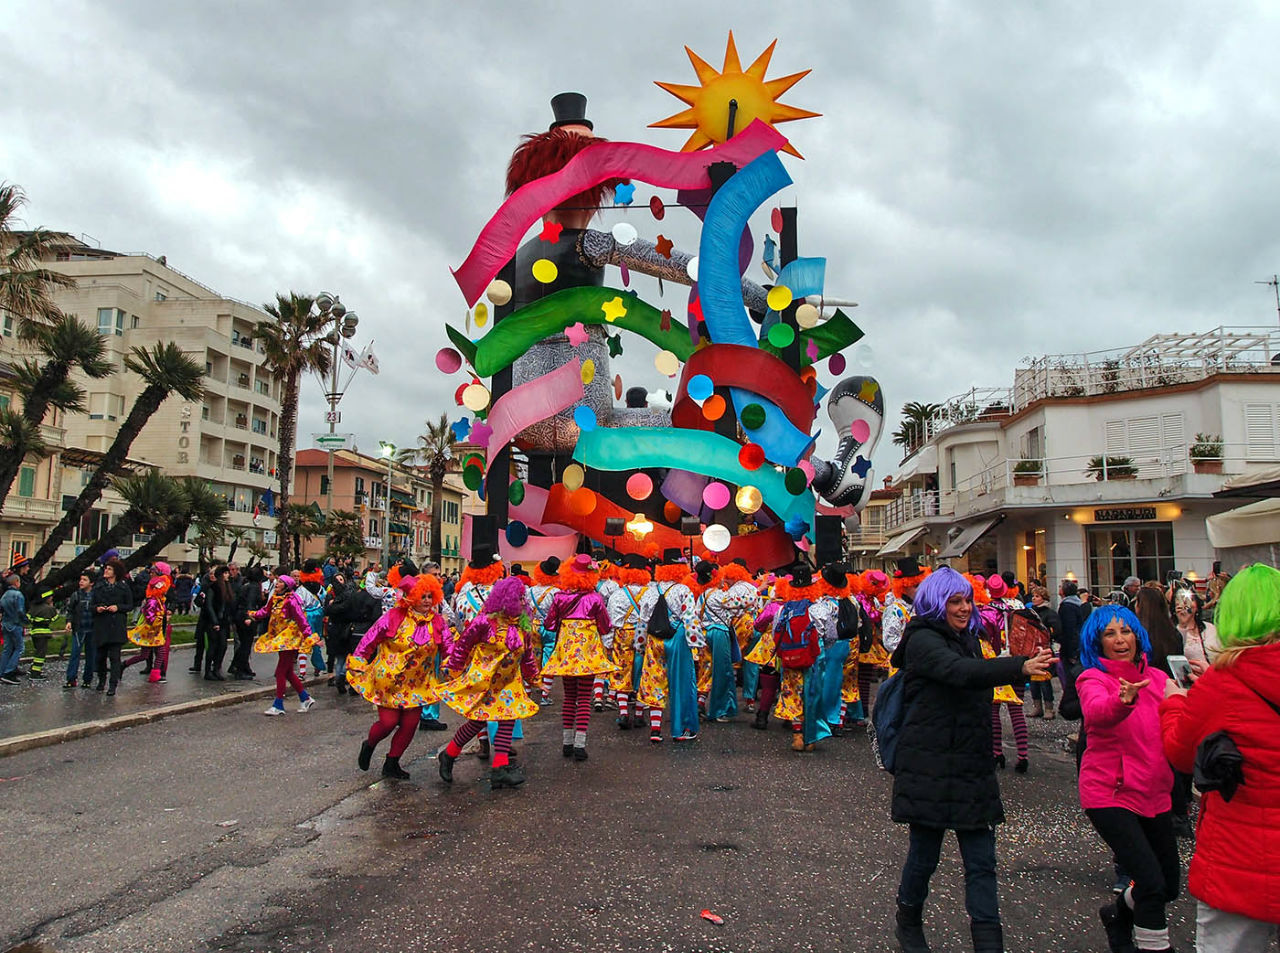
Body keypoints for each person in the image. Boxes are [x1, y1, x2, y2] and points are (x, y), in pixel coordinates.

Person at [890, 567, 1051, 953]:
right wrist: (1018, 666)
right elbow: (959, 673)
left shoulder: (971, 639)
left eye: (967, 600)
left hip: (970, 766)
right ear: (935, 604)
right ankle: (908, 921)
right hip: (929, 767)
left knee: (981, 863)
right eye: (955, 602)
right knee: (924, 857)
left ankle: (988, 942)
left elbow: (973, 675)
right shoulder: (922, 640)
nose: (964, 609)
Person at [1161, 564, 1280, 951]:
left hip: (1239, 854)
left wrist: (1176, 704)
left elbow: (1180, 754)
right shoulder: (1223, 679)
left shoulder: (1224, 682)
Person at [1077, 605, 1179, 953]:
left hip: (1154, 790)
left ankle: (1117, 912)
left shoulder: (1161, 679)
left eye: (1126, 631)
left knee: (1169, 886)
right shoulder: (1092, 679)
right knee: (1150, 884)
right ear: (1097, 642)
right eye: (1110, 633)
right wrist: (1123, 701)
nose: (1120, 640)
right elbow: (1097, 713)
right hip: (1110, 793)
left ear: (1138, 635)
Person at [437, 575, 540, 789]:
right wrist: (454, 668)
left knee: (508, 719)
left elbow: (527, 654)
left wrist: (533, 676)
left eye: (523, 598)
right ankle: (448, 754)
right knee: (477, 721)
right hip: (485, 682)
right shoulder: (485, 622)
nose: (523, 602)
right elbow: (464, 645)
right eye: (519, 598)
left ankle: (499, 769)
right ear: (507, 599)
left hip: (509, 684)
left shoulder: (523, 625)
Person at [348, 569, 449, 780]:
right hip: (389, 681)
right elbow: (370, 639)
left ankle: (392, 762)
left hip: (417, 683)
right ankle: (370, 744)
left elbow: (449, 647)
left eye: (430, 596)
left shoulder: (438, 622)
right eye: (423, 596)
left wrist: (453, 664)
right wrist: (359, 659)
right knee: (388, 723)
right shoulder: (394, 616)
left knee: (410, 725)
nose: (427, 601)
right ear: (412, 597)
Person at [543, 554, 614, 760]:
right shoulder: (595, 598)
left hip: (566, 653)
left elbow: (549, 625)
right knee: (584, 697)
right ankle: (579, 745)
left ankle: (566, 742)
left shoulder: (559, 598)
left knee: (569, 696)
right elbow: (605, 626)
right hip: (587, 654)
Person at [638, 554, 704, 744]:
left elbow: (643, 621)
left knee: (654, 681)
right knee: (681, 683)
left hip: (654, 639)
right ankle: (680, 729)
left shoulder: (650, 590)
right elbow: (691, 619)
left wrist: (640, 645)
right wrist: (696, 645)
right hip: (677, 638)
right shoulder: (683, 590)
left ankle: (656, 729)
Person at [248, 574, 318, 715]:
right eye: (277, 581)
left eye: (280, 582)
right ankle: (305, 698)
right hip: (280, 639)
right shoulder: (274, 598)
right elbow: (265, 611)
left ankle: (278, 705)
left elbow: (301, 619)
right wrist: (253, 614)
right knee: (288, 672)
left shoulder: (291, 601)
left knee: (280, 672)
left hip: (290, 640)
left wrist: (309, 636)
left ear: (287, 586)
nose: (277, 583)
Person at [91, 557, 135, 696]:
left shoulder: (123, 587)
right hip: (101, 625)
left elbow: (129, 605)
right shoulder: (99, 586)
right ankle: (101, 680)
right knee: (100, 657)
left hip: (116, 626)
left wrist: (118, 607)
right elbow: (92, 604)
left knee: (115, 658)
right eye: (106, 568)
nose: (106, 571)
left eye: (109, 569)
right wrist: (97, 608)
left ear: (115, 572)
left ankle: (113, 685)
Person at [124, 562, 173, 682]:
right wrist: (155, 621)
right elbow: (149, 612)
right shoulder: (153, 599)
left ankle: (124, 665)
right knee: (158, 652)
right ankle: (155, 674)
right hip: (152, 628)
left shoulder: (159, 598)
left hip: (155, 627)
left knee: (146, 654)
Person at [1027, 585, 1062, 720]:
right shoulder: (1029, 612)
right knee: (1033, 680)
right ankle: (1037, 706)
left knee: (1044, 680)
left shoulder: (1049, 613)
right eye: (1033, 596)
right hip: (1031, 649)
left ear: (1044, 598)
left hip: (1045, 649)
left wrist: (1045, 633)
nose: (1034, 598)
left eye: (1037, 596)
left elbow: (1057, 629)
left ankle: (1049, 708)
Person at [883, 558, 929, 653]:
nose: (920, 589)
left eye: (921, 585)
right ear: (904, 587)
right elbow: (889, 642)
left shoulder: (921, 607)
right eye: (916, 586)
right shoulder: (894, 610)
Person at [63, 570, 96, 689]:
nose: (81, 582)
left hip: (92, 628)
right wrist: (69, 621)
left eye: (84, 580)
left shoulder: (96, 595)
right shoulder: (76, 595)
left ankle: (87, 679)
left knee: (91, 655)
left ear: (91, 583)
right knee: (75, 653)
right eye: (81, 579)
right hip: (79, 628)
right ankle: (71, 678)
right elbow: (70, 610)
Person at [25, 585, 59, 680]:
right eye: (50, 597)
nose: (52, 598)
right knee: (41, 654)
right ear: (46, 598)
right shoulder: (49, 609)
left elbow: (28, 618)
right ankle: (35, 673)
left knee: (37, 651)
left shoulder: (33, 607)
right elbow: (55, 618)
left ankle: (33, 669)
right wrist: (53, 608)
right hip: (44, 634)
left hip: (34, 633)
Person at [0, 572, 26, 684]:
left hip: (5, 624)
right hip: (15, 624)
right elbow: (20, 610)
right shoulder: (18, 595)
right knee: (19, 648)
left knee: (7, 649)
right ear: (16, 582)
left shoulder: (4, 595)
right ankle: (9, 672)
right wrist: (25, 620)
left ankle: (2, 672)